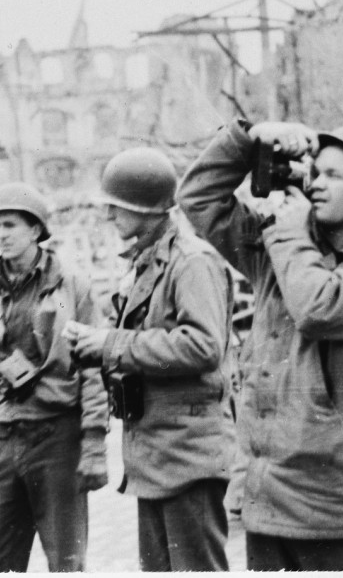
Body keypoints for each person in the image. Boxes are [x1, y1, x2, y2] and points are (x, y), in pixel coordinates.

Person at [177, 120, 343, 571]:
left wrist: (286, 229)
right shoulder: (281, 255)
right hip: (267, 509)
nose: (315, 184)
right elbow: (199, 199)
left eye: (333, 176)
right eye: (314, 172)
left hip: (337, 515)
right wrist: (250, 140)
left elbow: (316, 307)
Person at [63, 148, 235, 572]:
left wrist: (111, 343)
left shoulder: (192, 262)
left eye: (116, 207)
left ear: (146, 207)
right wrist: (96, 347)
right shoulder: (149, 261)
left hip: (186, 454)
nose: (108, 216)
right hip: (159, 454)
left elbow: (203, 346)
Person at [0, 182, 109, 573]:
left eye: (10, 225)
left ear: (36, 229)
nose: (1, 235)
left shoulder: (72, 283)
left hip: (55, 439)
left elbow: (92, 367)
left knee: (66, 561)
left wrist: (94, 444)